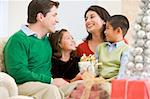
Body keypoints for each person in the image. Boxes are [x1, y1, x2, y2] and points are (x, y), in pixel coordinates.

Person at [4, 0, 65, 99]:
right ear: (40, 17)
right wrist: (50, 81)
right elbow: (18, 73)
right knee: (51, 90)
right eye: (54, 15)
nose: (57, 20)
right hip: (24, 85)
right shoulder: (18, 40)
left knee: (80, 86)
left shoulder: (46, 40)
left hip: (47, 85)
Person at [95, 15, 130, 79]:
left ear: (118, 31)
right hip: (99, 81)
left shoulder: (126, 49)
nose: (105, 32)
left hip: (114, 83)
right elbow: (95, 68)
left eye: (107, 28)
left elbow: (123, 72)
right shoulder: (100, 47)